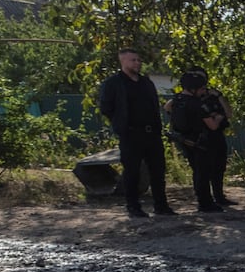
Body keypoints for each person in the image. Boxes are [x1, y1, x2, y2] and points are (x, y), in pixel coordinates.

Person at [98, 46, 171, 217]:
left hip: (151, 133)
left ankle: (161, 206)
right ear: (123, 61)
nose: (137, 63)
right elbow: (106, 108)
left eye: (138, 60)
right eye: (133, 60)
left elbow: (154, 105)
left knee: (158, 171)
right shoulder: (114, 83)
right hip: (131, 134)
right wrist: (121, 124)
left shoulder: (146, 82)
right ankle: (133, 206)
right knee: (132, 171)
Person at [168, 69, 232, 212]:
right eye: (201, 88)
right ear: (194, 89)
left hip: (187, 140)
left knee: (199, 172)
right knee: (203, 172)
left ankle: (207, 200)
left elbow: (167, 108)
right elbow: (213, 126)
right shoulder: (198, 105)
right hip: (200, 141)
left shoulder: (178, 100)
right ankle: (205, 203)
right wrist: (219, 117)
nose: (204, 90)